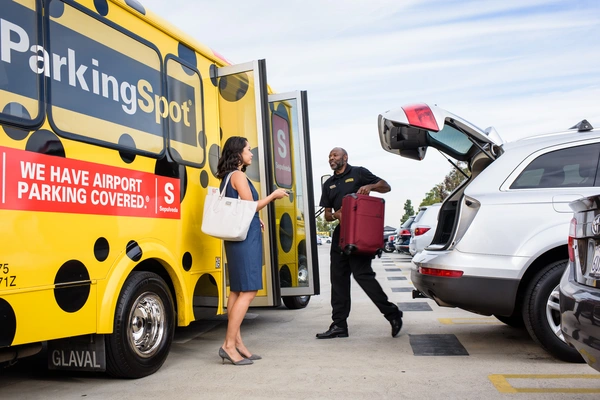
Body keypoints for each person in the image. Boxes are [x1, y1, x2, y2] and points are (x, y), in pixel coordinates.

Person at [216, 136, 289, 365]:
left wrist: (256, 219)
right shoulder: (238, 175)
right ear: (238, 153)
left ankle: (238, 343)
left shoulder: (228, 177)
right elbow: (249, 206)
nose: (251, 153)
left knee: (237, 291)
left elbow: (241, 208)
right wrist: (273, 196)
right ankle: (228, 345)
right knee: (248, 290)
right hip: (245, 239)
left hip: (238, 236)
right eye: (248, 150)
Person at [316, 147, 403, 339]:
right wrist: (336, 214)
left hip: (359, 232)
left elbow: (386, 186)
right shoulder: (329, 183)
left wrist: (370, 187)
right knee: (338, 281)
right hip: (341, 234)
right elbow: (328, 216)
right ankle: (339, 325)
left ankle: (392, 313)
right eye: (329, 156)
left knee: (363, 276)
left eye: (335, 155)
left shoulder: (359, 173)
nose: (331, 158)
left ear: (345, 158)